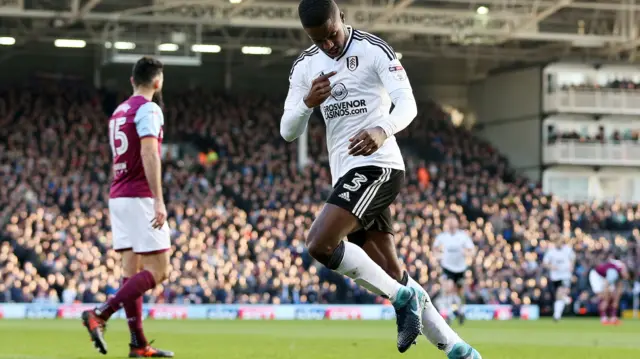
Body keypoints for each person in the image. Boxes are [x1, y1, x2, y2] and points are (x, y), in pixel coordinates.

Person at [280, 0, 481, 357]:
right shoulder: (305, 67)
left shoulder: (373, 50)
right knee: (393, 272)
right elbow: (287, 131)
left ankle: (401, 299)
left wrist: (382, 129)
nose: (329, 45)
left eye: (332, 35)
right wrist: (307, 103)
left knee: (319, 244)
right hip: (346, 176)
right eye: (319, 40)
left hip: (380, 165)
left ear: (341, 18)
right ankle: (459, 349)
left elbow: (408, 103)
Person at [81, 56, 173, 358]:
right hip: (139, 195)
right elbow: (149, 153)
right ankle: (101, 313)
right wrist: (158, 199)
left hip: (118, 195)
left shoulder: (119, 112)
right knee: (159, 270)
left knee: (130, 270)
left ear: (132, 81)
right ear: (157, 82)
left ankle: (138, 343)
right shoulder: (149, 109)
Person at [433, 215, 475, 325]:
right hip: (448, 268)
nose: (451, 227)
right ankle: (448, 314)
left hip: (460, 268)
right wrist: (438, 255)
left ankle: (460, 311)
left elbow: (472, 250)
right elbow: (435, 248)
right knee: (448, 288)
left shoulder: (463, 236)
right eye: (449, 225)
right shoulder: (442, 237)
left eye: (453, 224)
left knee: (459, 293)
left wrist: (467, 253)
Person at [542, 237, 575, 322]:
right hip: (555, 276)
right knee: (558, 296)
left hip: (565, 275)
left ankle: (556, 315)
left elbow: (573, 258)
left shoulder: (568, 250)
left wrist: (572, 266)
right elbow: (545, 263)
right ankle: (558, 312)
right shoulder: (551, 251)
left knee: (560, 292)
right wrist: (551, 266)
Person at [589, 256, 629, 325]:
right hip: (597, 276)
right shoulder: (613, 272)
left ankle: (613, 318)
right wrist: (606, 298)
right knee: (604, 298)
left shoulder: (621, 273)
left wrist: (616, 299)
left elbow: (618, 291)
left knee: (614, 297)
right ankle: (603, 318)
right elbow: (606, 285)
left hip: (606, 277)